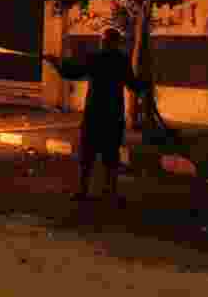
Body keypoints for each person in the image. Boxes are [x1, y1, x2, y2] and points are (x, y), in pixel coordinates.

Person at [44, 28, 148, 205]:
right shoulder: (121, 61)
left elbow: (72, 72)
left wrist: (55, 63)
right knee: (110, 156)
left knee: (87, 155)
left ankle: (83, 191)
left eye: (103, 40)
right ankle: (110, 193)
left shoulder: (96, 59)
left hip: (95, 114)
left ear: (105, 42)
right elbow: (134, 85)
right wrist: (145, 83)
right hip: (113, 116)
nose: (102, 43)